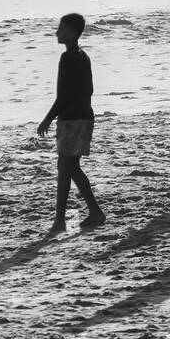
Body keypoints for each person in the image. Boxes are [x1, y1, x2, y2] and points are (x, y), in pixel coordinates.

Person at [37, 13, 105, 234]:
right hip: (85, 116)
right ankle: (93, 212)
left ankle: (60, 221)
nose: (57, 32)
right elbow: (90, 89)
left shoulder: (67, 58)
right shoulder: (84, 56)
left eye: (62, 28)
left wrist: (48, 118)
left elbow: (63, 96)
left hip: (72, 120)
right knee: (69, 167)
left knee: (66, 169)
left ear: (73, 32)